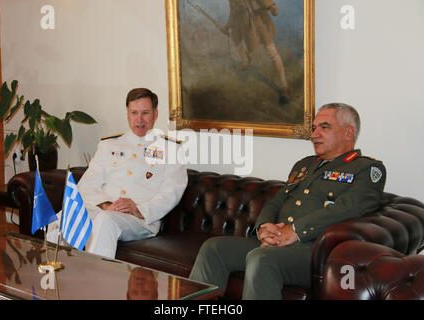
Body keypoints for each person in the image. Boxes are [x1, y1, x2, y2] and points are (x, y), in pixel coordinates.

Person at [189, 103, 387, 299]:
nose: (314, 134)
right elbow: (277, 201)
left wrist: (296, 231)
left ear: (348, 132)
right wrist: (264, 228)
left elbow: (348, 209)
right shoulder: (305, 165)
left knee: (262, 259)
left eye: (324, 127)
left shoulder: (366, 169)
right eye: (314, 128)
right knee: (213, 248)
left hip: (316, 254)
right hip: (278, 243)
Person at [47, 88, 188, 259]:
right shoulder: (109, 145)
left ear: (155, 114)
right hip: (104, 209)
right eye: (134, 112)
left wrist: (139, 210)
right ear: (128, 113)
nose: (139, 119)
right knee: (61, 217)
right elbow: (86, 185)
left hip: (140, 219)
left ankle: (98, 283)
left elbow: (171, 192)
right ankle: (56, 276)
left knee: (106, 221)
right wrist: (106, 205)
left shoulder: (171, 149)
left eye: (145, 113)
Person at [224, 0, 290, 104]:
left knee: (272, 52)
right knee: (234, 36)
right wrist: (227, 26)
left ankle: (284, 87)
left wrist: (272, 7)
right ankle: (245, 62)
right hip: (245, 24)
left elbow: (266, 2)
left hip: (259, 22)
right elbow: (233, 13)